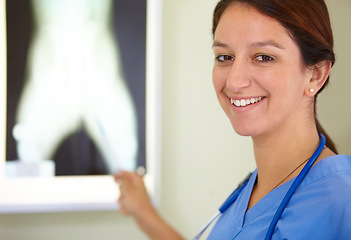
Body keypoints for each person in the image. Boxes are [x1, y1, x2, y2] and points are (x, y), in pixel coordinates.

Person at [114, 0, 351, 239]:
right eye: (225, 57)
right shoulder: (254, 188)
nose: (234, 82)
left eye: (264, 57)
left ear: (316, 74)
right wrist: (144, 214)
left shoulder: (339, 201)